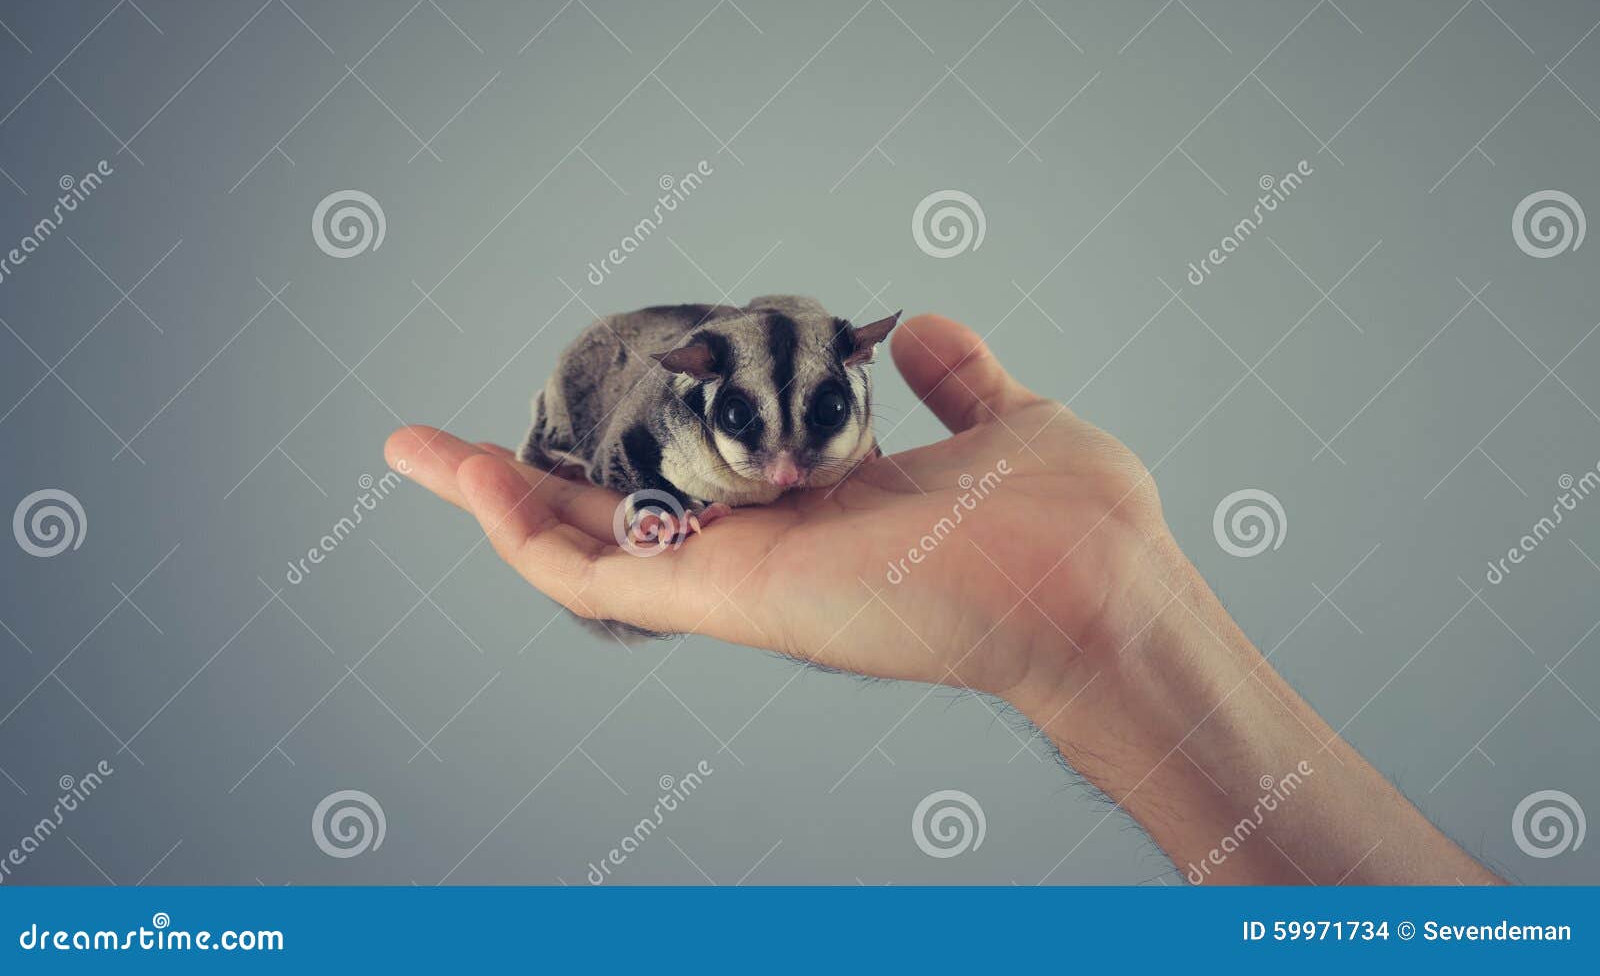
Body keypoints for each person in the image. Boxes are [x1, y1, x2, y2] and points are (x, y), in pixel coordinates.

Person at [386, 314, 1501, 885]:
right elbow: (633, 433)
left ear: (854, 385)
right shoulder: (657, 391)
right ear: (701, 389)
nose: (783, 474)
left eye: (817, 427)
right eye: (749, 436)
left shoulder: (824, 399)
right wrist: (644, 505)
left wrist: (1103, 629)